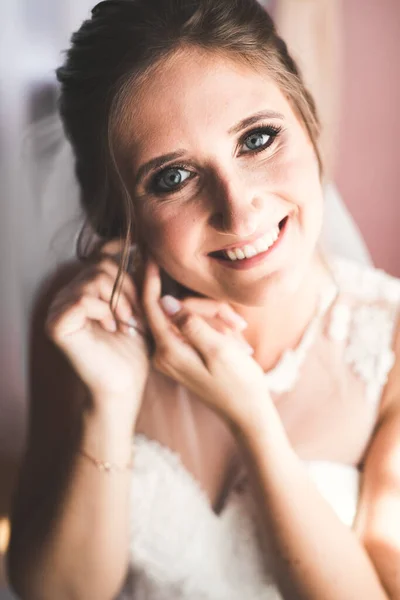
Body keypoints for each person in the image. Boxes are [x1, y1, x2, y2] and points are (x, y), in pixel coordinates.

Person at [7, 1, 400, 599]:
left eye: (258, 138)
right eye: (173, 178)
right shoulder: (82, 326)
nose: (239, 209)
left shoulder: (391, 343)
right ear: (118, 217)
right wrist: (107, 406)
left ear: (308, 117)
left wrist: (253, 420)